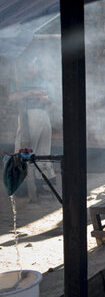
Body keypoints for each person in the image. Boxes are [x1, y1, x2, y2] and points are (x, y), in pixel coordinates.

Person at [8, 58, 56, 195]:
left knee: (40, 152)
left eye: (33, 67)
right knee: (25, 150)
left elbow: (53, 103)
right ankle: (28, 186)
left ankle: (41, 187)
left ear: (38, 68)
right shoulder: (18, 83)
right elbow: (11, 98)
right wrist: (29, 93)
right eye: (28, 67)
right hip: (26, 117)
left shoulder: (46, 84)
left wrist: (45, 100)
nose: (30, 70)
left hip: (41, 116)